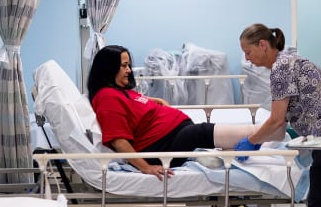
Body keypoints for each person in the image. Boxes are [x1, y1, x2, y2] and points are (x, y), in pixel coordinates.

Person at [237, 24, 321, 207]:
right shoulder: (287, 60)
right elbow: (281, 123)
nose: (247, 59)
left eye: (248, 52)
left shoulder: (281, 68)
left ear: (263, 45)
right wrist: (261, 140)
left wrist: (252, 140)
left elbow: (276, 120)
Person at [87, 45, 257, 179]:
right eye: (124, 66)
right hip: (162, 146)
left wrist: (161, 104)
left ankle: (247, 144)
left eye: (128, 65)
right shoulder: (107, 98)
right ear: (108, 69)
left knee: (200, 134)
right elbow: (119, 141)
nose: (129, 70)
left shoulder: (120, 91)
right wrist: (146, 167)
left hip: (173, 135)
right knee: (201, 132)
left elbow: (142, 104)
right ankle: (259, 135)